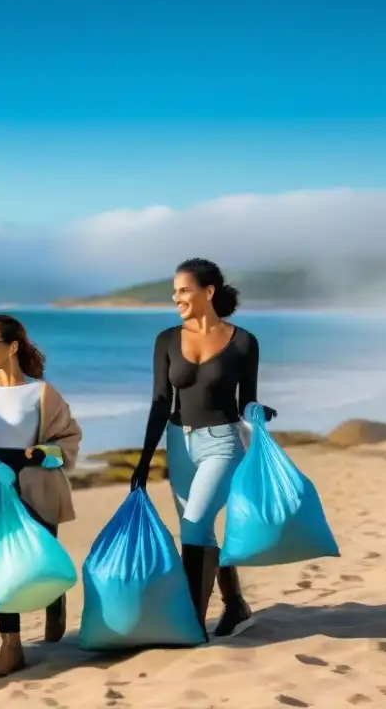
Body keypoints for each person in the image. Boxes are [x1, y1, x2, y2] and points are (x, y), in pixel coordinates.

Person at [129, 258, 277, 641]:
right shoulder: (166, 339)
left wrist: (258, 411)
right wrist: (144, 461)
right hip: (178, 443)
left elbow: (248, 402)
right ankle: (236, 605)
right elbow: (161, 401)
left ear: (207, 292)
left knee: (194, 523)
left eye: (183, 290)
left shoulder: (243, 341)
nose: (176, 297)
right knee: (197, 532)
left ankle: (190, 625)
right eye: (174, 290)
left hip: (223, 443)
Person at [0, 314, 82, 677]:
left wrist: (47, 453)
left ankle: (54, 598)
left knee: (40, 558)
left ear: (12, 347)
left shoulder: (43, 393)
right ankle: (11, 645)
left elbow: (68, 438)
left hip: (36, 484)